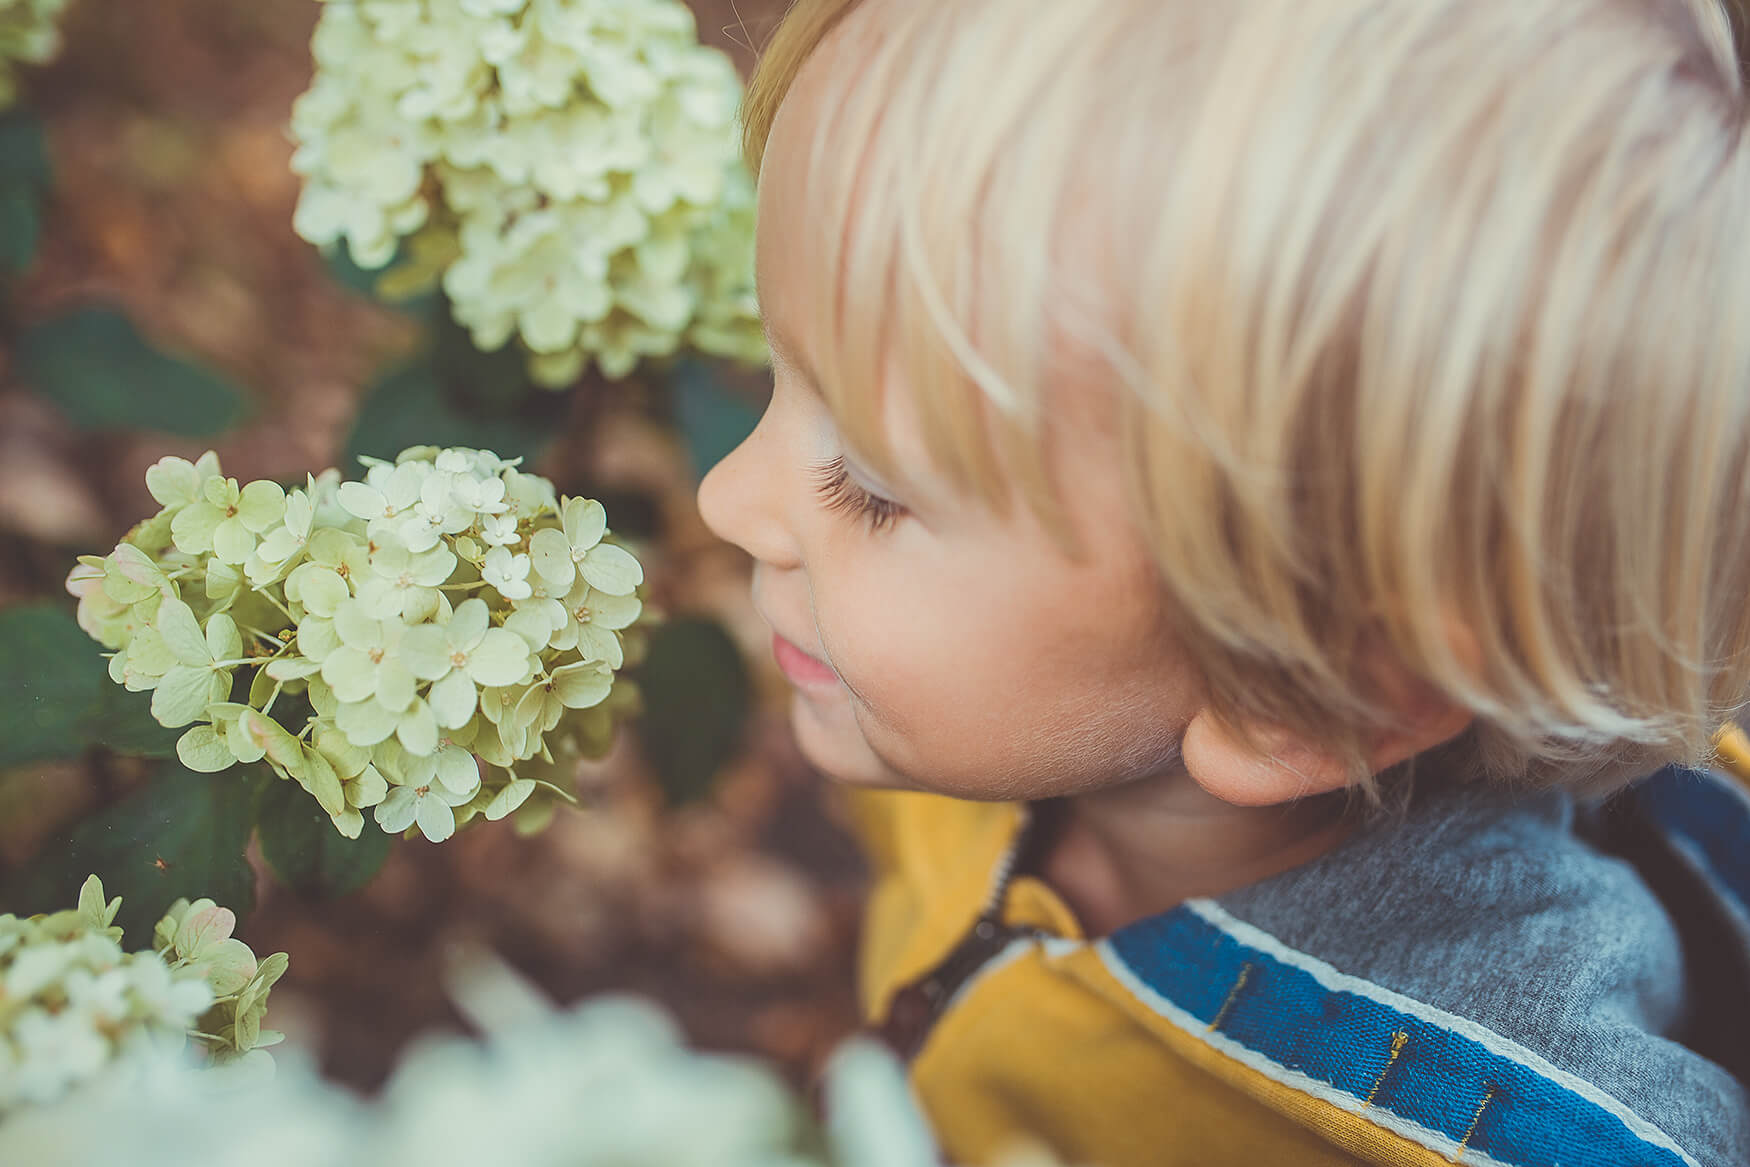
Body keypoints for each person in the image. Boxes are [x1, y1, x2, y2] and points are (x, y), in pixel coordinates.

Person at [696, 0, 1750, 1162]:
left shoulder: (1461, 1123)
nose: (726, 500)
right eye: (773, 369)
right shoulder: (1002, 715)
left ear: (1302, 695)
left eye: (873, 486)